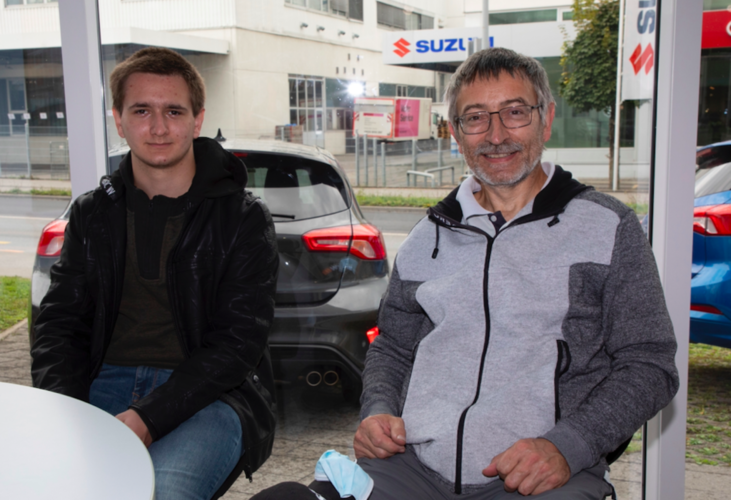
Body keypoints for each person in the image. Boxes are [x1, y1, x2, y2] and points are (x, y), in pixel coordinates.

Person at [251, 47, 679, 500]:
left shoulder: (607, 227)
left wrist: (567, 447)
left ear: (546, 118)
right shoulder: (426, 236)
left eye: (515, 112)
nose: (496, 135)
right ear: (456, 133)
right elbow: (393, 347)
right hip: (411, 469)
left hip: (541, 477)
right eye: (475, 118)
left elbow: (649, 363)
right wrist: (377, 410)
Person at [31, 47, 279, 500]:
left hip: (208, 395)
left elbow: (238, 343)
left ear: (198, 120)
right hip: (99, 382)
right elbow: (58, 325)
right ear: (119, 119)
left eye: (174, 111)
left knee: (161, 493)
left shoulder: (242, 218)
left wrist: (149, 417)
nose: (159, 127)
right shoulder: (92, 213)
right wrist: (62, 410)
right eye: (141, 110)